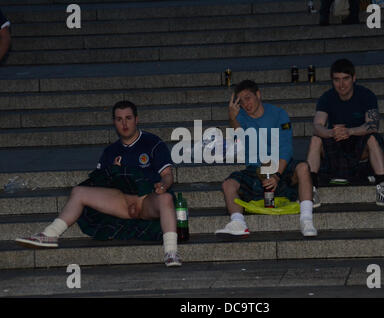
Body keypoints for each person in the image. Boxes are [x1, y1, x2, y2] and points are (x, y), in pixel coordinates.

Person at [16, 101, 182, 267]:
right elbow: (98, 181)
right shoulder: (110, 151)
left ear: (136, 120)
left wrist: (163, 185)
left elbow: (167, 175)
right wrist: (113, 172)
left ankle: (171, 252)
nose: (124, 124)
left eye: (128, 118)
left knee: (166, 198)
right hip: (120, 202)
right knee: (79, 192)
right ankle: (50, 234)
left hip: (147, 199)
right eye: (119, 119)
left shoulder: (152, 143)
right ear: (114, 122)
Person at [215, 80, 318, 238]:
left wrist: (276, 174)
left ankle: (306, 220)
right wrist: (232, 117)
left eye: (248, 98)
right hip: (254, 170)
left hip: (281, 167)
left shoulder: (278, 114)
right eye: (241, 102)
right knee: (228, 184)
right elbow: (238, 138)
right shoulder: (240, 116)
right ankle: (238, 222)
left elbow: (286, 148)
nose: (245, 104)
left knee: (303, 167)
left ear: (258, 94)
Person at [306, 58, 384, 208]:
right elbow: (317, 125)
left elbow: (373, 124)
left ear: (354, 78)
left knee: (372, 137)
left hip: (358, 145)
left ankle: (383, 187)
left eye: (345, 79)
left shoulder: (366, 95)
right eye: (337, 80)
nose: (341, 84)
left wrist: (350, 131)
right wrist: (331, 132)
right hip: (336, 143)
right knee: (316, 138)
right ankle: (311, 189)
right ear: (332, 80)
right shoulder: (327, 97)